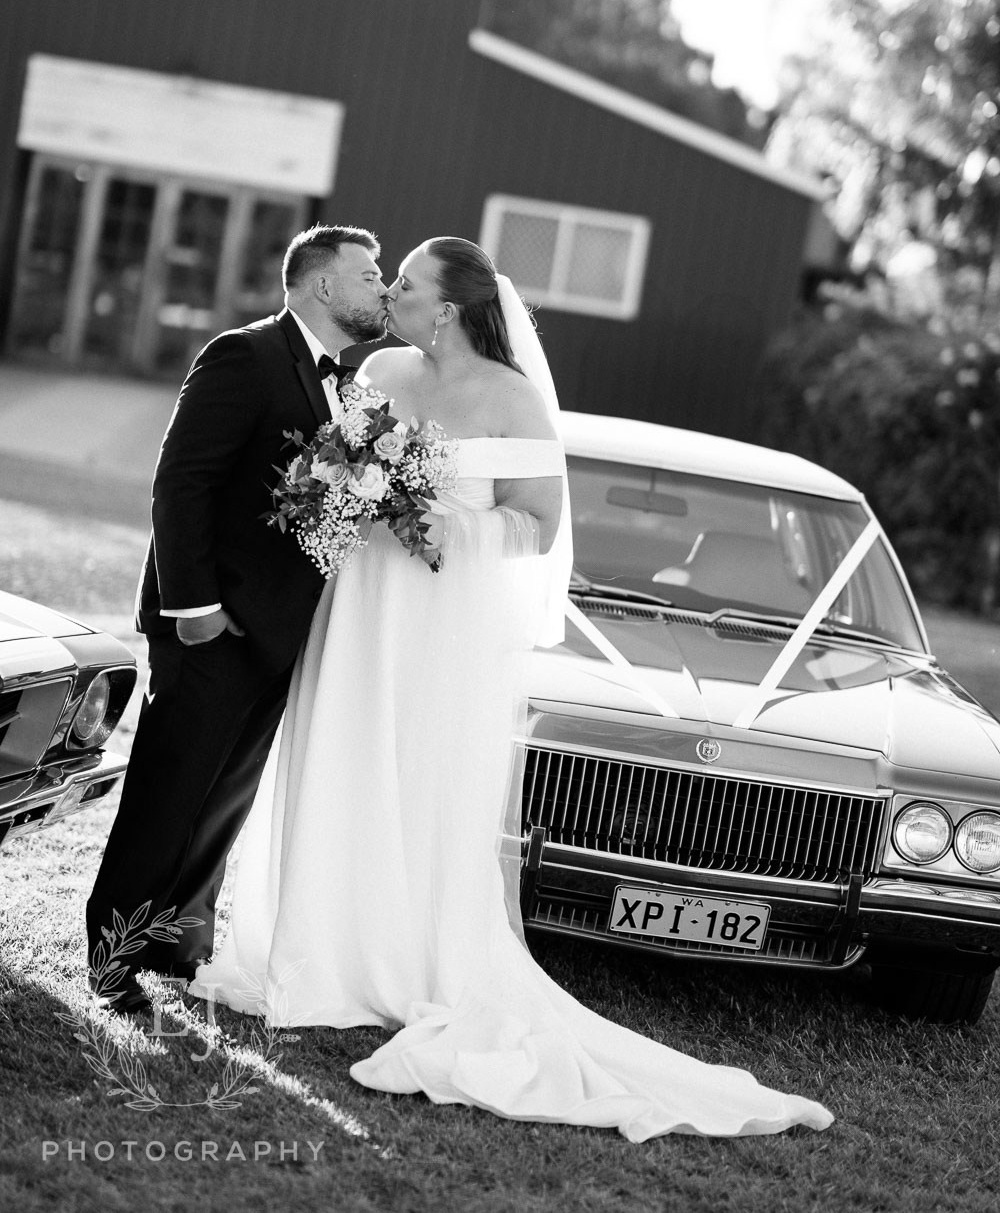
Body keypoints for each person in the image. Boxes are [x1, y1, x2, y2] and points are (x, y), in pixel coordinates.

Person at [192, 237, 833, 1140]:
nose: (391, 293)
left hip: (441, 621)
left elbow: (536, 524)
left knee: (421, 773)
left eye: (406, 284)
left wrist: (438, 524)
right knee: (342, 752)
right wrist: (344, 494)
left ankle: (399, 956)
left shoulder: (513, 397)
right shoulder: (379, 371)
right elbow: (329, 476)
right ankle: (316, 947)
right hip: (359, 606)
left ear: (447, 309)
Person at [86, 225, 389, 1014]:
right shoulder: (244, 356)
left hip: (278, 637)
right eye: (368, 274)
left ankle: (174, 943)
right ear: (323, 285)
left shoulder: (347, 388)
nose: (382, 287)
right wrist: (194, 610)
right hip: (211, 628)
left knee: (222, 801)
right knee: (167, 796)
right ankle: (113, 961)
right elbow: (180, 484)